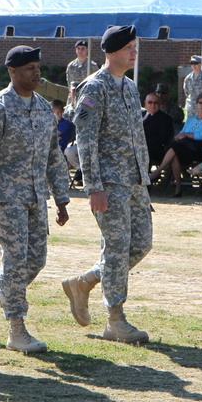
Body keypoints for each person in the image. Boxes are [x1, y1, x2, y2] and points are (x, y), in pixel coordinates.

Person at [0, 46, 70, 353]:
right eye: (29, 69)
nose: (36, 74)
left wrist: (62, 199)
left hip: (36, 198)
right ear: (12, 72)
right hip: (4, 198)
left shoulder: (42, 108)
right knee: (15, 260)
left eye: (38, 68)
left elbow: (54, 157)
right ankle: (17, 329)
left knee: (35, 260)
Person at [61, 24, 152, 344]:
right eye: (128, 47)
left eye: (135, 46)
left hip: (135, 182)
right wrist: (94, 186)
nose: (134, 51)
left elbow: (136, 137)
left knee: (141, 244)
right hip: (109, 183)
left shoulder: (128, 87)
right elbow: (84, 141)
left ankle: (84, 282)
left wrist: (145, 177)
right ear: (110, 52)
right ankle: (115, 319)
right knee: (115, 249)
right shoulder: (93, 87)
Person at [148, 92, 202, 197]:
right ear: (196, 104)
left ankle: (159, 171)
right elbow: (182, 133)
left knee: (175, 149)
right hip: (184, 148)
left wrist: (186, 135)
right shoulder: (190, 119)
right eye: (200, 103)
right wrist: (182, 135)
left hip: (200, 150)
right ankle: (178, 188)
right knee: (175, 153)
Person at [142, 92, 174, 167]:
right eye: (150, 102)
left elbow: (162, 138)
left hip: (154, 149)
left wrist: (142, 142)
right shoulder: (138, 115)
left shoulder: (165, 119)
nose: (153, 105)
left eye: (156, 103)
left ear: (160, 104)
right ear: (145, 103)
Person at [65, 40, 99, 105]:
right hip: (73, 98)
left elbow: (97, 83)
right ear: (76, 50)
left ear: (87, 50)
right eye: (78, 48)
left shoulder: (92, 66)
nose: (80, 51)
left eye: (83, 49)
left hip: (88, 97)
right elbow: (69, 83)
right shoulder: (71, 66)